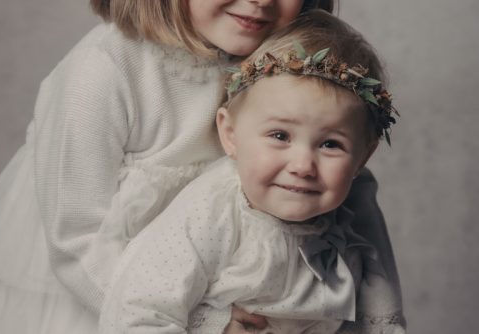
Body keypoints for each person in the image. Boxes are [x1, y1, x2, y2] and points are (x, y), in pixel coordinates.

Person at [0, 1, 343, 333]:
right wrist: (201, 319)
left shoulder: (281, 69)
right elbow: (76, 239)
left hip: (206, 285)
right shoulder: (105, 67)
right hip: (98, 292)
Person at [99, 10, 405, 334]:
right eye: (280, 136)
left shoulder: (352, 208)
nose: (302, 166)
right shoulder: (213, 212)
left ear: (364, 155)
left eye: (330, 144)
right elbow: (139, 312)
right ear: (230, 135)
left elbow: (379, 310)